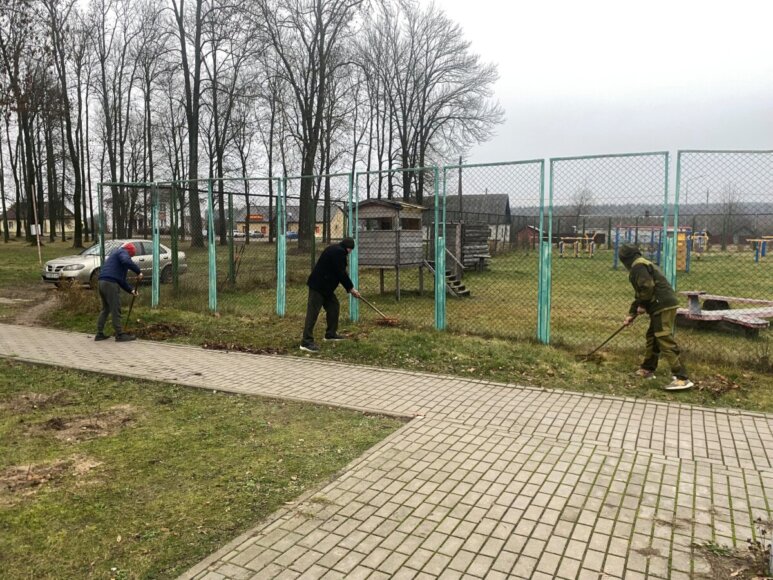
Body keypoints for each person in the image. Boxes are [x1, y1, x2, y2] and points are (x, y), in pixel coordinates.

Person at [618, 243, 693, 391]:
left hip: (662, 305)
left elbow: (647, 287)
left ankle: (682, 378)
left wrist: (642, 305)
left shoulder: (638, 267)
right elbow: (641, 292)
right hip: (660, 304)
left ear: (625, 259)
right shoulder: (641, 264)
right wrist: (631, 314)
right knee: (653, 337)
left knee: (664, 338)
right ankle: (647, 369)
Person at [301, 237, 361, 353]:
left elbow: (338, 272)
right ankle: (306, 341)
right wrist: (351, 288)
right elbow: (341, 273)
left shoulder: (335, 249)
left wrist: (350, 288)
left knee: (334, 306)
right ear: (348, 248)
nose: (350, 253)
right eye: (351, 250)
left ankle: (330, 334)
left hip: (326, 288)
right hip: (318, 286)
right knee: (313, 313)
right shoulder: (339, 253)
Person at [95, 242, 143, 342]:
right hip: (110, 284)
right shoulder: (123, 253)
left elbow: (121, 280)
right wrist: (138, 271)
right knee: (115, 308)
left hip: (102, 282)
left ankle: (99, 334)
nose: (130, 258)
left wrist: (131, 290)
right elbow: (126, 261)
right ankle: (120, 334)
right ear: (129, 252)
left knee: (106, 309)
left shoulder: (116, 256)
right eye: (131, 256)